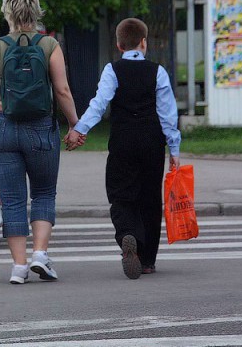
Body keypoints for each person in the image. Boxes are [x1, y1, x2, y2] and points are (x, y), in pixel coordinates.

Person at [0, 0, 80, 284]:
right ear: (35, 12)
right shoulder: (49, 46)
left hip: (3, 131)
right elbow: (62, 90)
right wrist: (74, 125)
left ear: (8, 13)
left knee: (13, 199)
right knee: (43, 192)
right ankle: (41, 255)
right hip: (41, 129)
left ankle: (18, 267)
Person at [65, 18, 181, 280]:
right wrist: (174, 150)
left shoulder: (112, 70)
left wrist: (79, 130)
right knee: (150, 199)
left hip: (122, 142)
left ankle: (128, 234)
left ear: (118, 45)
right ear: (144, 43)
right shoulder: (158, 71)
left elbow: (99, 103)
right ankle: (148, 259)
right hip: (152, 142)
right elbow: (168, 114)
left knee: (121, 195)